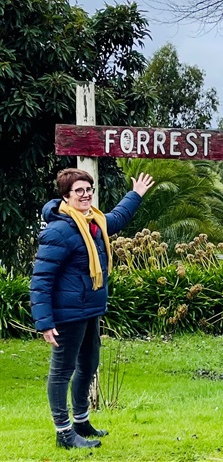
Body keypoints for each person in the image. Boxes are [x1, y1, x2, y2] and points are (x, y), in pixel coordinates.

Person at [30, 168, 154, 449]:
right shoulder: (60, 229)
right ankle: (63, 433)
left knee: (88, 366)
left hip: (89, 310)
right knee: (62, 372)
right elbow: (41, 279)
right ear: (66, 195)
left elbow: (117, 218)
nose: (86, 195)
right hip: (66, 314)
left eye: (89, 189)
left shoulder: (92, 222)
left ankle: (81, 421)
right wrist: (45, 322)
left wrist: (136, 194)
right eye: (79, 191)